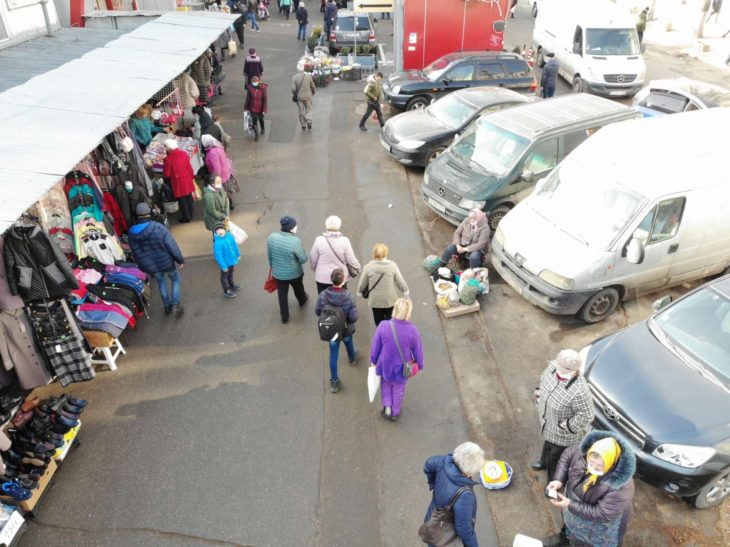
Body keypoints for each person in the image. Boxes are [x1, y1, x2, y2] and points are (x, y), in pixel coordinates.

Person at [544, 431, 636, 547]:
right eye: (591, 462)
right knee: (570, 525)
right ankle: (566, 538)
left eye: (599, 466)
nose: (593, 467)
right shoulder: (583, 450)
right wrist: (558, 479)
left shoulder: (621, 487)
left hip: (600, 523)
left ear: (610, 463)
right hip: (574, 503)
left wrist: (570, 504)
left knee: (590, 542)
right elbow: (567, 456)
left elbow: (602, 514)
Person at [532, 349, 594, 481]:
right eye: (558, 366)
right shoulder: (553, 367)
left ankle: (553, 482)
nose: (558, 371)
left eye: (563, 370)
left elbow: (587, 415)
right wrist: (538, 394)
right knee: (547, 445)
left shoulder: (580, 390)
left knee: (556, 458)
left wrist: (566, 426)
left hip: (563, 434)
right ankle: (543, 463)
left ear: (574, 371)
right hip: (547, 422)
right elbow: (543, 381)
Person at [128, 203, 185, 316]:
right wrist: (180, 259)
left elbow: (135, 253)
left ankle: (167, 307)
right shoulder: (158, 227)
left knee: (161, 283)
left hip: (152, 266)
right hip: (167, 262)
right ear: (149, 213)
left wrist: (142, 267)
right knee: (175, 280)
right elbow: (171, 244)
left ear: (137, 215)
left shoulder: (132, 232)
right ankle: (175, 305)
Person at [423, 442, 485, 547]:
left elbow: (428, 464)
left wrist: (433, 485)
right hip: (445, 535)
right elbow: (464, 528)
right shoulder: (465, 495)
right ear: (469, 471)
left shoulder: (443, 462)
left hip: (432, 519)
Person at [370, 297, 423, 421]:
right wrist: (420, 364)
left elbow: (375, 345)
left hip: (385, 364)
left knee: (385, 385)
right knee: (398, 388)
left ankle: (387, 407)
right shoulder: (413, 330)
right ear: (408, 312)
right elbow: (418, 350)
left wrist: (373, 360)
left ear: (395, 310)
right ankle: (395, 412)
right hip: (402, 367)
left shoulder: (383, 325)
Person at [315, 268, 358, 393]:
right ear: (343, 281)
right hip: (345, 329)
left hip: (332, 331)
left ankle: (334, 382)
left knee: (333, 356)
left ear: (331, 280)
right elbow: (353, 317)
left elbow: (318, 312)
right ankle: (352, 358)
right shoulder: (348, 296)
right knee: (348, 342)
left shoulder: (323, 295)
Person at [267, 216, 309, 324]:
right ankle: (302, 300)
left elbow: (270, 255)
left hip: (278, 274)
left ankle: (284, 317)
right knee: (298, 287)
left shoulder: (271, 237)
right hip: (294, 273)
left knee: (282, 294)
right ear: (291, 228)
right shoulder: (295, 241)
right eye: (295, 226)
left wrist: (273, 266)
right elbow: (303, 259)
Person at [357, 243, 409, 326]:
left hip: (375, 300)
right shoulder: (392, 266)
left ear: (374, 253)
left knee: (378, 321)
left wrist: (359, 291)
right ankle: (389, 332)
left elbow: (363, 282)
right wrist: (405, 291)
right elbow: (400, 280)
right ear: (386, 253)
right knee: (390, 319)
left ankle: (381, 332)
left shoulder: (368, 267)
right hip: (390, 299)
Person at [310, 215, 360, 293]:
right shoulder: (345, 241)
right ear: (339, 226)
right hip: (340, 277)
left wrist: (316, 269)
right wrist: (357, 268)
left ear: (326, 225)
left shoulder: (319, 240)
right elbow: (351, 259)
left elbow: (313, 258)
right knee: (341, 298)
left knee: (323, 299)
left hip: (322, 277)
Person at [162, 139, 196, 223]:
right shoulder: (184, 153)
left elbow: (167, 174)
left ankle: (186, 216)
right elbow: (189, 167)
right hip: (187, 178)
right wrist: (192, 177)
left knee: (182, 199)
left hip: (177, 182)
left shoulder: (168, 159)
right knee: (188, 197)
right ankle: (191, 214)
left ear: (169, 149)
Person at [213, 222, 242, 298]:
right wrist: (223, 266)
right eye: (218, 230)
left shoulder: (229, 236)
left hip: (231, 261)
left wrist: (238, 254)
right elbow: (218, 256)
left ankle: (231, 285)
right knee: (224, 277)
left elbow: (235, 245)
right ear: (215, 232)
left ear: (225, 229)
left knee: (231, 274)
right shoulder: (217, 243)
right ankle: (226, 290)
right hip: (225, 264)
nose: (220, 231)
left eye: (222, 229)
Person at [245, 75, 268, 142]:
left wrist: (264, 110)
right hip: (252, 108)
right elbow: (248, 98)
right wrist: (246, 107)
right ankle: (256, 135)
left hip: (260, 108)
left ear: (258, 81)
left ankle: (262, 129)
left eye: (255, 82)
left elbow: (265, 100)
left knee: (261, 119)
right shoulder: (250, 88)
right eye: (253, 82)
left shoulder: (263, 88)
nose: (254, 83)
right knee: (254, 122)